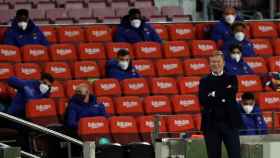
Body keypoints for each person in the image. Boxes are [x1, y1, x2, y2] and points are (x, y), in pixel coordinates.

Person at [199, 51, 242, 158]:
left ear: (223, 63)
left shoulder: (232, 78)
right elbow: (203, 100)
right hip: (211, 124)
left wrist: (213, 94)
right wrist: (223, 93)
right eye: (213, 62)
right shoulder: (204, 81)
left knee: (235, 155)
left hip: (230, 123)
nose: (215, 64)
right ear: (209, 64)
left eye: (218, 61)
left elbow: (231, 93)